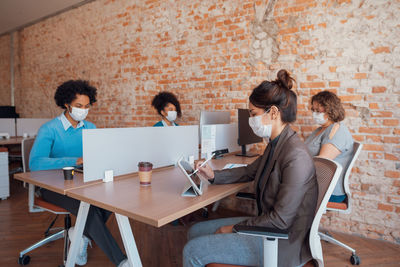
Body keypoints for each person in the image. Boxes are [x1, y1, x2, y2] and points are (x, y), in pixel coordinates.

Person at [183, 70, 318, 267]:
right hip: (268, 226)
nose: (250, 120)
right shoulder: (277, 144)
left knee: (192, 251)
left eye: (253, 114)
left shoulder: (295, 156)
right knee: (194, 232)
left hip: (281, 241)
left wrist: (234, 227)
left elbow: (280, 221)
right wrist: (212, 175)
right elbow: (249, 171)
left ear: (272, 112)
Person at [29, 80, 129, 267]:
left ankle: (79, 235)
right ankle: (122, 261)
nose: (83, 110)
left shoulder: (90, 128)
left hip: (83, 182)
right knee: (88, 207)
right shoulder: (49, 129)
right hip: (53, 187)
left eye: (86, 106)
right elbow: (35, 164)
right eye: (78, 106)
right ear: (66, 104)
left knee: (113, 199)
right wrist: (74, 160)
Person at [305, 90, 354, 203]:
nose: (314, 114)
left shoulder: (337, 130)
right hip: (315, 186)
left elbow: (322, 165)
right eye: (313, 110)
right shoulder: (320, 130)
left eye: (318, 110)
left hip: (329, 191)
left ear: (330, 109)